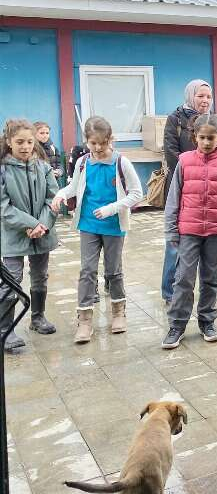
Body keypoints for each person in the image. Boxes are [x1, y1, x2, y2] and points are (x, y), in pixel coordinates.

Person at [51, 116, 143, 343]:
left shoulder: (122, 162)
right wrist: (61, 194)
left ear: (111, 139)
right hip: (88, 225)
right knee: (87, 271)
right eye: (93, 143)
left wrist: (112, 208)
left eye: (103, 142)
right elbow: (73, 187)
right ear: (87, 141)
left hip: (113, 225)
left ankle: (119, 313)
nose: (98, 148)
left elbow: (137, 194)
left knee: (113, 271)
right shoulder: (82, 163)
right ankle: (84, 320)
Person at [161, 114, 217, 349]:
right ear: (194, 137)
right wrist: (171, 231)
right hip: (189, 231)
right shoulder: (184, 162)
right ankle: (177, 325)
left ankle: (207, 321)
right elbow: (173, 199)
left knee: (211, 279)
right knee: (183, 279)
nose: (206, 142)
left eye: (211, 138)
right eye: (202, 137)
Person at [0, 119, 60, 351]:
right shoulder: (3, 170)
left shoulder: (43, 167)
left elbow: (52, 199)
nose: (25, 146)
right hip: (14, 236)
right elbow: (3, 207)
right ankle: (6, 329)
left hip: (42, 234)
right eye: (19, 142)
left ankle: (38, 318)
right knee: (11, 280)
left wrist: (42, 225)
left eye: (29, 141)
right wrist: (30, 224)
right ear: (9, 142)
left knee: (40, 276)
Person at [161, 79, 213, 304]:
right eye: (200, 96)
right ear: (191, 96)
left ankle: (205, 291)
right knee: (176, 243)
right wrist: (192, 174)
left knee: (206, 244)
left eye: (208, 97)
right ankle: (170, 292)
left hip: (208, 191)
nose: (205, 100)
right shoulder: (176, 118)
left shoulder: (212, 120)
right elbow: (171, 151)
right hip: (182, 188)